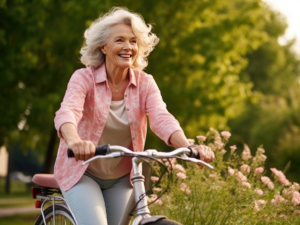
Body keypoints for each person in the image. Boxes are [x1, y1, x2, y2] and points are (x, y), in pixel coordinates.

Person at [53, 7, 214, 225]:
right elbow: (68, 112)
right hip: (83, 173)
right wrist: (75, 142)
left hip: (122, 178)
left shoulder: (145, 83)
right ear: (103, 46)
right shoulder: (84, 78)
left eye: (133, 41)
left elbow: (161, 117)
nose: (128, 47)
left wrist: (188, 147)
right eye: (120, 40)